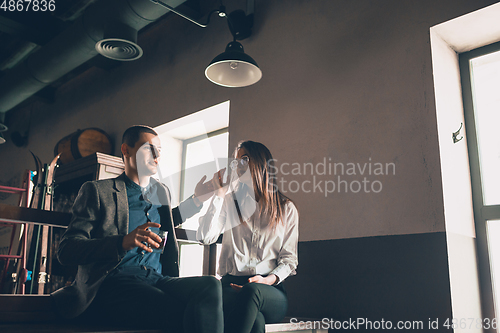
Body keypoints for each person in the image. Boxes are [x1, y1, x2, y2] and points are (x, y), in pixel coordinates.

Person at [52, 125, 223, 333]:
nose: (156, 155)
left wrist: (198, 200)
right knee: (177, 309)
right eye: (148, 148)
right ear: (126, 150)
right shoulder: (98, 191)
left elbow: (167, 221)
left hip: (157, 278)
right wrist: (121, 242)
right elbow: (67, 250)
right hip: (114, 283)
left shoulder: (161, 191)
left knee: (211, 286)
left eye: (159, 150)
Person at [197, 141, 299, 333]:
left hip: (269, 290)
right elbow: (205, 237)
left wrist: (267, 280)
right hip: (230, 286)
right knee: (256, 322)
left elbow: (289, 260)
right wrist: (218, 195)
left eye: (244, 159)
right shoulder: (229, 202)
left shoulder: (286, 208)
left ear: (261, 162)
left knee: (252, 293)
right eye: (235, 162)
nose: (238, 166)